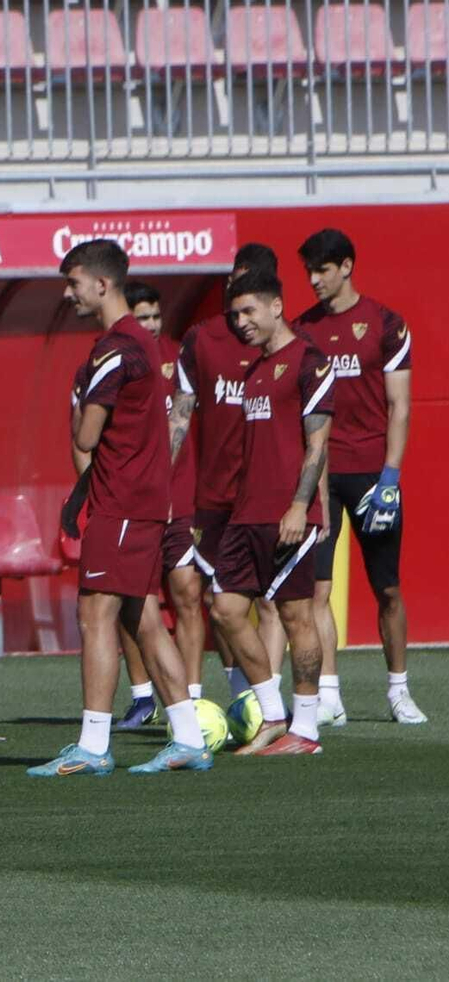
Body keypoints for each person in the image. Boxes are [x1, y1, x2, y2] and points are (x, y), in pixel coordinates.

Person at [29, 240, 209, 777]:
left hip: (124, 503)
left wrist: (81, 398)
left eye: (73, 283)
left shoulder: (114, 349)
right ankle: (190, 738)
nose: (68, 294)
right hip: (138, 499)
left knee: (95, 615)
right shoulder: (140, 343)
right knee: (142, 616)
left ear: (101, 284)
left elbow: (86, 434)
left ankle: (93, 745)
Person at [293, 229, 426, 725]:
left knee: (387, 588)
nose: (313, 280)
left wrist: (390, 476)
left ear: (346, 266)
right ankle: (329, 696)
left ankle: (399, 691)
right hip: (321, 476)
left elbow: (400, 406)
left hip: (373, 475)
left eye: (322, 269)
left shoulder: (386, 324)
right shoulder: (300, 329)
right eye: (309, 270)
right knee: (317, 592)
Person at [208, 269, 336, 755]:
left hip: (288, 512)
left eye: (249, 311)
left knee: (296, 614)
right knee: (226, 609)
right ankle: (273, 716)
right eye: (234, 314)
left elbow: (318, 443)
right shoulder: (254, 370)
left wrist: (302, 505)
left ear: (277, 306)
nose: (241, 322)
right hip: (246, 514)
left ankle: (306, 731)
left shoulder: (310, 361)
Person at [170, 244, 283, 704]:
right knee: (219, 603)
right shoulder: (201, 340)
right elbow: (180, 413)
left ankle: (266, 703)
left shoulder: (290, 348)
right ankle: (227, 697)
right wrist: (160, 475)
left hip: (269, 498)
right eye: (234, 278)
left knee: (271, 603)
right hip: (215, 498)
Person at [100, 282, 206, 729]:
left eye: (155, 317)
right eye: (142, 317)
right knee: (132, 600)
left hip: (176, 498)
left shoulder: (179, 357)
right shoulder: (112, 359)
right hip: (131, 502)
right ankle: (143, 696)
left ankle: (193, 698)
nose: (150, 325)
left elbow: (182, 421)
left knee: (186, 592)